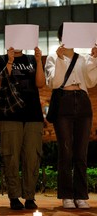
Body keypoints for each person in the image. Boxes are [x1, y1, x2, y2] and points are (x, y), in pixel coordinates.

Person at [44, 23, 97, 209]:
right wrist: (59, 59)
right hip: (63, 101)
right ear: (61, 37)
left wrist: (94, 59)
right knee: (66, 151)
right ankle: (67, 195)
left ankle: (81, 195)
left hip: (83, 101)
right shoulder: (52, 57)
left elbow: (90, 82)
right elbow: (54, 82)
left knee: (81, 153)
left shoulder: (83, 58)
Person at [0, 46, 45, 210]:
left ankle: (30, 196)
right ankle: (14, 197)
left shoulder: (31, 59)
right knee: (10, 157)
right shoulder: (1, 59)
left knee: (32, 158)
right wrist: (9, 61)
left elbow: (40, 83)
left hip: (33, 115)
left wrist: (38, 61)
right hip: (9, 115)